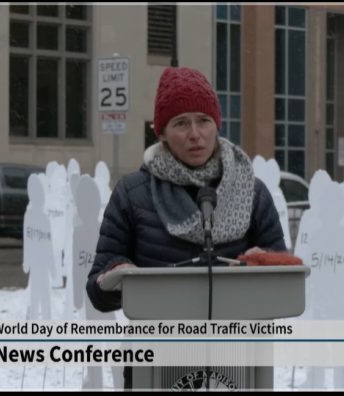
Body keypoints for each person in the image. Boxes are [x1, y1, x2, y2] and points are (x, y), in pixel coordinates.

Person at [85, 67, 286, 388]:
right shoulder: (131, 193)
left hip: (237, 363)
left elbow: (283, 277)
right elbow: (97, 291)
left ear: (216, 125)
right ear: (161, 132)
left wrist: (267, 262)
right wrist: (116, 273)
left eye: (203, 121)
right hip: (156, 366)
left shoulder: (253, 192)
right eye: (181, 123)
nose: (195, 133)